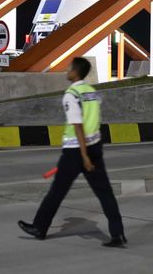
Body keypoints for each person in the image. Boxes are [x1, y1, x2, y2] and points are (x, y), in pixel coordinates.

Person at [18, 57, 127, 247]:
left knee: (57, 191)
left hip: (76, 151)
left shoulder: (71, 94)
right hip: (95, 146)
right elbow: (95, 120)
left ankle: (39, 227)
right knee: (105, 192)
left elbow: (77, 125)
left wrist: (84, 156)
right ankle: (118, 234)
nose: (66, 71)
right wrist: (92, 151)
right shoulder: (91, 92)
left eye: (69, 68)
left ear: (75, 72)